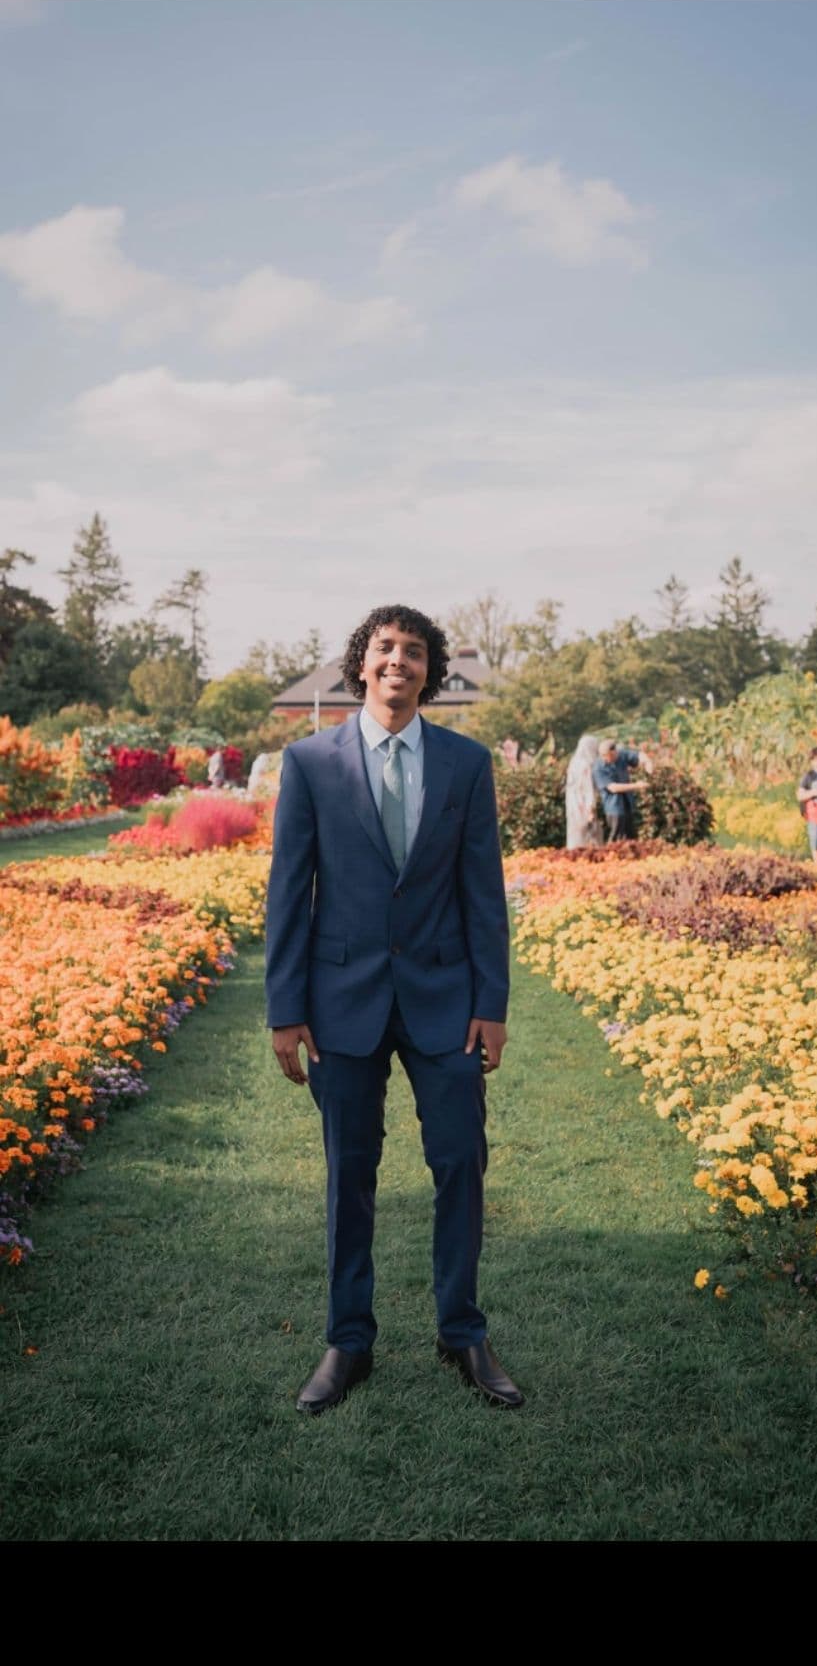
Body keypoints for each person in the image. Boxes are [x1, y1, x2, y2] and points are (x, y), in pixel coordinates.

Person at [265, 604, 522, 1414]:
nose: (398, 663)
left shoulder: (466, 763)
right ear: (361, 663)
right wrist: (284, 1007)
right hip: (342, 1003)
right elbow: (288, 893)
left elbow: (483, 892)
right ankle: (348, 1343)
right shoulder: (308, 763)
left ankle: (462, 1331)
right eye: (385, 649)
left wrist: (493, 1003)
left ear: (430, 672)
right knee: (351, 1175)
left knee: (460, 1165)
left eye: (414, 652)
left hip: (447, 1001)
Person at [591, 738, 648, 841]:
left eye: (606, 755)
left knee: (631, 836)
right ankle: (610, 856)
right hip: (614, 807)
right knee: (616, 836)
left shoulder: (621, 755)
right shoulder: (598, 767)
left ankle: (632, 856)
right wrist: (637, 786)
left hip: (627, 803)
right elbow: (613, 788)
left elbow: (638, 755)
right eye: (602, 755)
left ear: (614, 752)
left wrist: (647, 761)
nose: (604, 758)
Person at [565, 734, 603, 849]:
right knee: (590, 834)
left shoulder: (573, 763)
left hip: (573, 805)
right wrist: (591, 809)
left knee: (575, 833)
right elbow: (588, 790)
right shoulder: (586, 765)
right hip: (584, 805)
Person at [797, 746, 817, 864]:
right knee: (816, 843)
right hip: (815, 815)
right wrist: (815, 792)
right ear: (812, 762)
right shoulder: (809, 777)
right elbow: (800, 795)